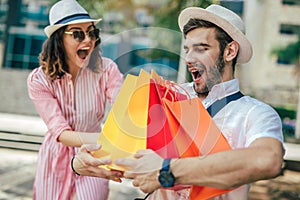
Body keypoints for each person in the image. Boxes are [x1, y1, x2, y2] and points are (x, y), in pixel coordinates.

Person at [73, 4, 285, 200]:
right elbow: (120, 148)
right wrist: (81, 162)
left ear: (229, 51)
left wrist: (168, 170)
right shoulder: (167, 97)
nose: (190, 58)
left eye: (201, 49)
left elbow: (268, 160)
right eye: (187, 49)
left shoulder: (255, 113)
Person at [27, 0, 123, 199]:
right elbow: (61, 133)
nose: (88, 40)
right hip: (55, 161)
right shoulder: (39, 80)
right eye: (78, 34)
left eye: (92, 33)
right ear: (59, 39)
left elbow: (123, 108)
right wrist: (108, 140)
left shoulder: (107, 70)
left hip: (95, 158)